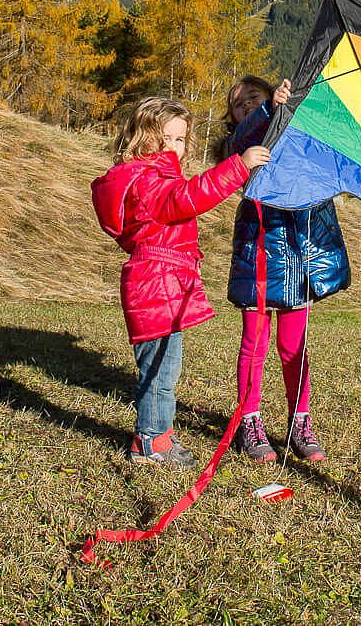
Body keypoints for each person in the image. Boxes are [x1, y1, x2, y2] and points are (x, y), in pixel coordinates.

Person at [91, 97, 269, 466]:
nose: (176, 147)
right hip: (156, 282)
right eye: (166, 138)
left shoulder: (146, 176)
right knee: (160, 370)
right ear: (142, 137)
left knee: (163, 367)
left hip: (161, 280)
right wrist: (238, 166)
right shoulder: (147, 181)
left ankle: (158, 434)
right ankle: (151, 443)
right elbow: (185, 199)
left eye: (181, 139)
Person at [220, 76, 351, 464]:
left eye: (253, 98)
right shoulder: (241, 146)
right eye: (239, 105)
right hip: (258, 245)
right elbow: (236, 146)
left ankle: (300, 420)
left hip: (296, 249)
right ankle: (250, 420)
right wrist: (266, 111)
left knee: (294, 344)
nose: (246, 106)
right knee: (255, 342)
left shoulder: (298, 131)